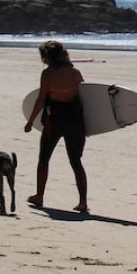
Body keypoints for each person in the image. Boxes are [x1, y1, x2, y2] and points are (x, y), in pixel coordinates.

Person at [24, 40, 88, 213]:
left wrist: (30, 121)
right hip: (75, 121)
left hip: (55, 121)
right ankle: (83, 202)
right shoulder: (75, 72)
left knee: (44, 158)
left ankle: (39, 196)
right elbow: (85, 98)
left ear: (46, 56)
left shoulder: (48, 74)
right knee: (76, 161)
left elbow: (41, 99)